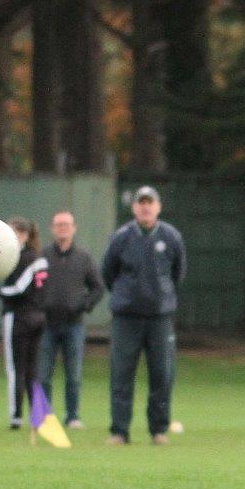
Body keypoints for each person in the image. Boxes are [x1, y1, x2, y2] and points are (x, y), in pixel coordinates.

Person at [102, 185, 186, 445]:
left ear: (158, 207)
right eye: (141, 203)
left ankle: (158, 430)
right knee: (121, 374)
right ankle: (119, 430)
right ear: (134, 207)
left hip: (160, 318)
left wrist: (162, 297)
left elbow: (178, 273)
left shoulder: (171, 237)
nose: (145, 207)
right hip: (126, 317)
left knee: (162, 374)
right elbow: (108, 272)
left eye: (150, 203)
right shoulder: (122, 237)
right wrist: (125, 296)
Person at [38, 210, 104, 430]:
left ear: (74, 228)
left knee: (73, 374)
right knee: (44, 374)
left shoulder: (83, 258)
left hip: (74, 324)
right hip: (47, 324)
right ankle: (44, 417)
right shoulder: (43, 257)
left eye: (66, 224)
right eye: (58, 224)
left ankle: (72, 416)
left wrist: (84, 305)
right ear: (52, 229)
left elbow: (98, 287)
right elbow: (33, 285)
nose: (63, 228)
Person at [0, 218, 49, 434]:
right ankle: (36, 416)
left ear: (26, 235)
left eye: (16, 232)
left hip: (18, 317)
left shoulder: (22, 258)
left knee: (15, 369)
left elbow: (19, 288)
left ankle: (16, 416)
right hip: (38, 317)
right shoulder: (41, 259)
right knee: (31, 370)